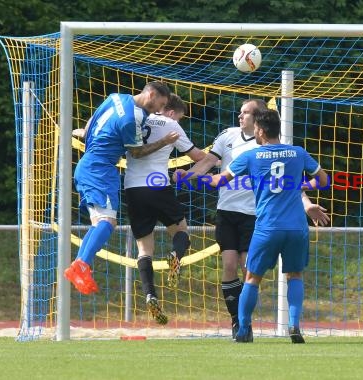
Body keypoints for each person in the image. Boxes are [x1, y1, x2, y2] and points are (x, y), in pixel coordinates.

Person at [174, 99, 329, 339]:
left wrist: (192, 179)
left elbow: (218, 181)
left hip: (267, 226)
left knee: (252, 277)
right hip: (297, 227)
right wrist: (300, 185)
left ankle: (244, 328)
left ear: (261, 130)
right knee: (295, 275)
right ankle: (294, 326)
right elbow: (323, 180)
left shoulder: (253, 156)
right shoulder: (298, 153)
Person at [64, 81, 178, 295]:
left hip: (89, 166)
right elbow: (136, 153)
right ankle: (80, 265)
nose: (158, 110)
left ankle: (80, 264)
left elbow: (91, 123)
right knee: (107, 223)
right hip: (100, 170)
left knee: (100, 222)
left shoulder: (116, 97)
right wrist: (164, 141)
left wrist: (87, 134)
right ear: (151, 94)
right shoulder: (132, 117)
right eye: (159, 104)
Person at [124, 94, 206, 324]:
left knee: (144, 249)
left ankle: (150, 294)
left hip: (133, 187)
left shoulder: (138, 118)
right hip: (157, 183)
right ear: (171, 112)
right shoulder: (171, 124)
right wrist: (220, 160)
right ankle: (175, 255)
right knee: (182, 232)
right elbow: (197, 156)